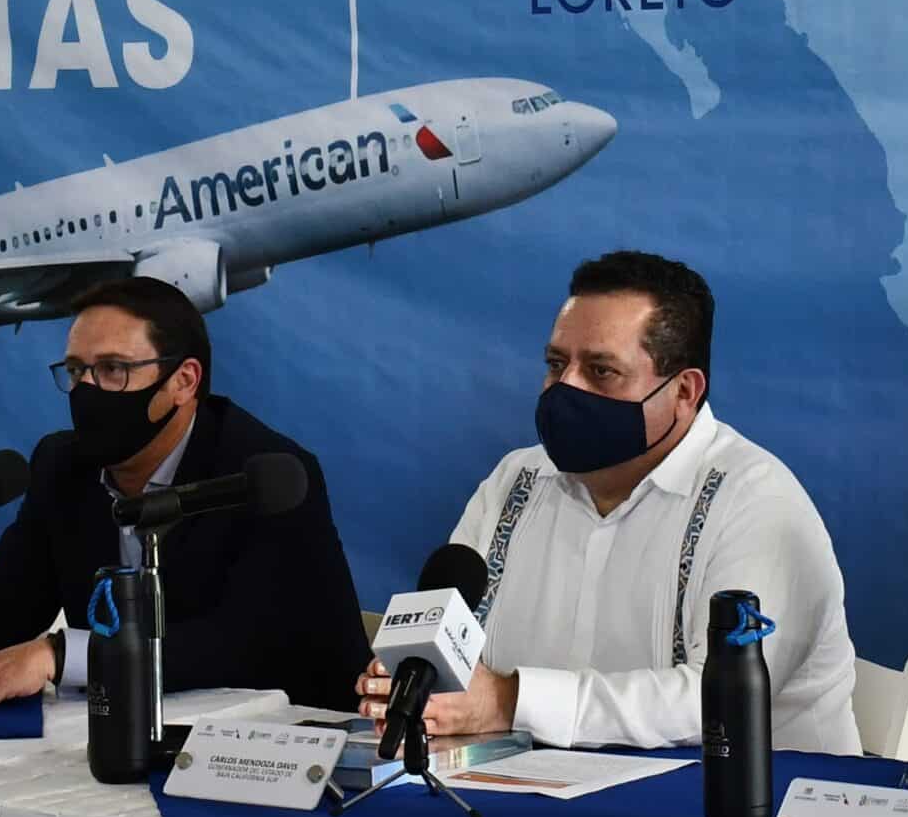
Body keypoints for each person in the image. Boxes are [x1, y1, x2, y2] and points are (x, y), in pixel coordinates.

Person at [356, 251, 860, 752]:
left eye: (601, 371)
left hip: (749, 797)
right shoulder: (517, 480)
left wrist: (508, 700)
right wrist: (417, 685)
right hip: (531, 788)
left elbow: (720, 700)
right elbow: (454, 653)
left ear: (684, 391)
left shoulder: (756, 501)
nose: (566, 389)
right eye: (557, 364)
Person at [0, 277, 370, 713]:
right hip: (122, 730)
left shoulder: (266, 474)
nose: (87, 390)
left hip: (294, 741)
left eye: (113, 369)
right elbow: (7, 597)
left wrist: (56, 655)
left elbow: (244, 642)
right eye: (76, 371)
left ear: (184, 381)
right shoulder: (63, 464)